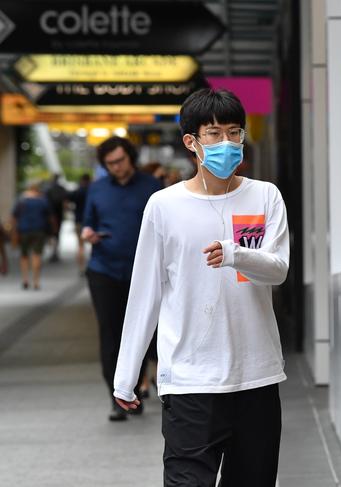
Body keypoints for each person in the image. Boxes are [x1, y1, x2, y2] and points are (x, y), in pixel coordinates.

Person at [113, 88, 289, 486]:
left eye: (234, 132)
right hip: (190, 379)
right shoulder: (164, 205)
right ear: (191, 141)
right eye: (214, 133)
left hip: (256, 377)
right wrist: (127, 375)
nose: (226, 142)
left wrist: (235, 254)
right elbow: (146, 294)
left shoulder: (263, 197)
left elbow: (275, 270)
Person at [81, 136, 162, 422]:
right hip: (104, 270)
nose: (116, 167)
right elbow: (87, 221)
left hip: (143, 272)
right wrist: (88, 233)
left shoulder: (151, 187)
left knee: (141, 332)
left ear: (131, 157)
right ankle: (116, 397)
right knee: (110, 334)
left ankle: (133, 392)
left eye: (120, 161)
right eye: (110, 164)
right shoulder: (98, 188)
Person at [10, 181, 54, 290]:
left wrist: (13, 231)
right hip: (39, 230)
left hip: (24, 230)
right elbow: (50, 217)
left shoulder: (21, 200)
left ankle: (25, 279)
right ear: (37, 189)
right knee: (37, 255)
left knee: (24, 256)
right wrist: (52, 231)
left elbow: (14, 217)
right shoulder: (43, 201)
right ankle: (36, 281)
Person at [67, 173, 91, 275]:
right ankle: (91, 267)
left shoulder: (77, 191)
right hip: (91, 221)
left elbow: (68, 200)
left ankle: (81, 268)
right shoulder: (92, 191)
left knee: (80, 246)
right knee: (94, 245)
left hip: (78, 221)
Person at [44, 173, 68, 263]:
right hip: (59, 215)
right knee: (57, 234)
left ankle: (52, 251)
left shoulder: (48, 189)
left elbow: (44, 202)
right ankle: (55, 252)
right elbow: (65, 203)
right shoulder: (62, 189)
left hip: (49, 215)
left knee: (50, 233)